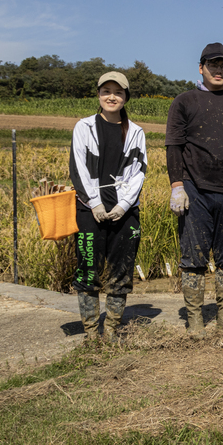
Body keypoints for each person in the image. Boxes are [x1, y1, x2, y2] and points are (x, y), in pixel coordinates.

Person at [166, 42, 223, 336]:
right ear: (201, 67)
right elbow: (174, 145)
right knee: (193, 257)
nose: (218, 70)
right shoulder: (184, 101)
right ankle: (194, 317)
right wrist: (177, 185)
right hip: (195, 189)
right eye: (213, 65)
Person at [69, 72, 147, 342]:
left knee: (121, 270)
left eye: (118, 92)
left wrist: (123, 205)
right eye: (106, 91)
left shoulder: (136, 132)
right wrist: (95, 203)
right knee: (88, 268)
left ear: (126, 97)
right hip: (90, 211)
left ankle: (112, 330)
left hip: (124, 214)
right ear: (98, 96)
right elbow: (79, 167)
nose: (112, 96)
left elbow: (138, 172)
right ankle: (91, 333)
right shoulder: (84, 127)